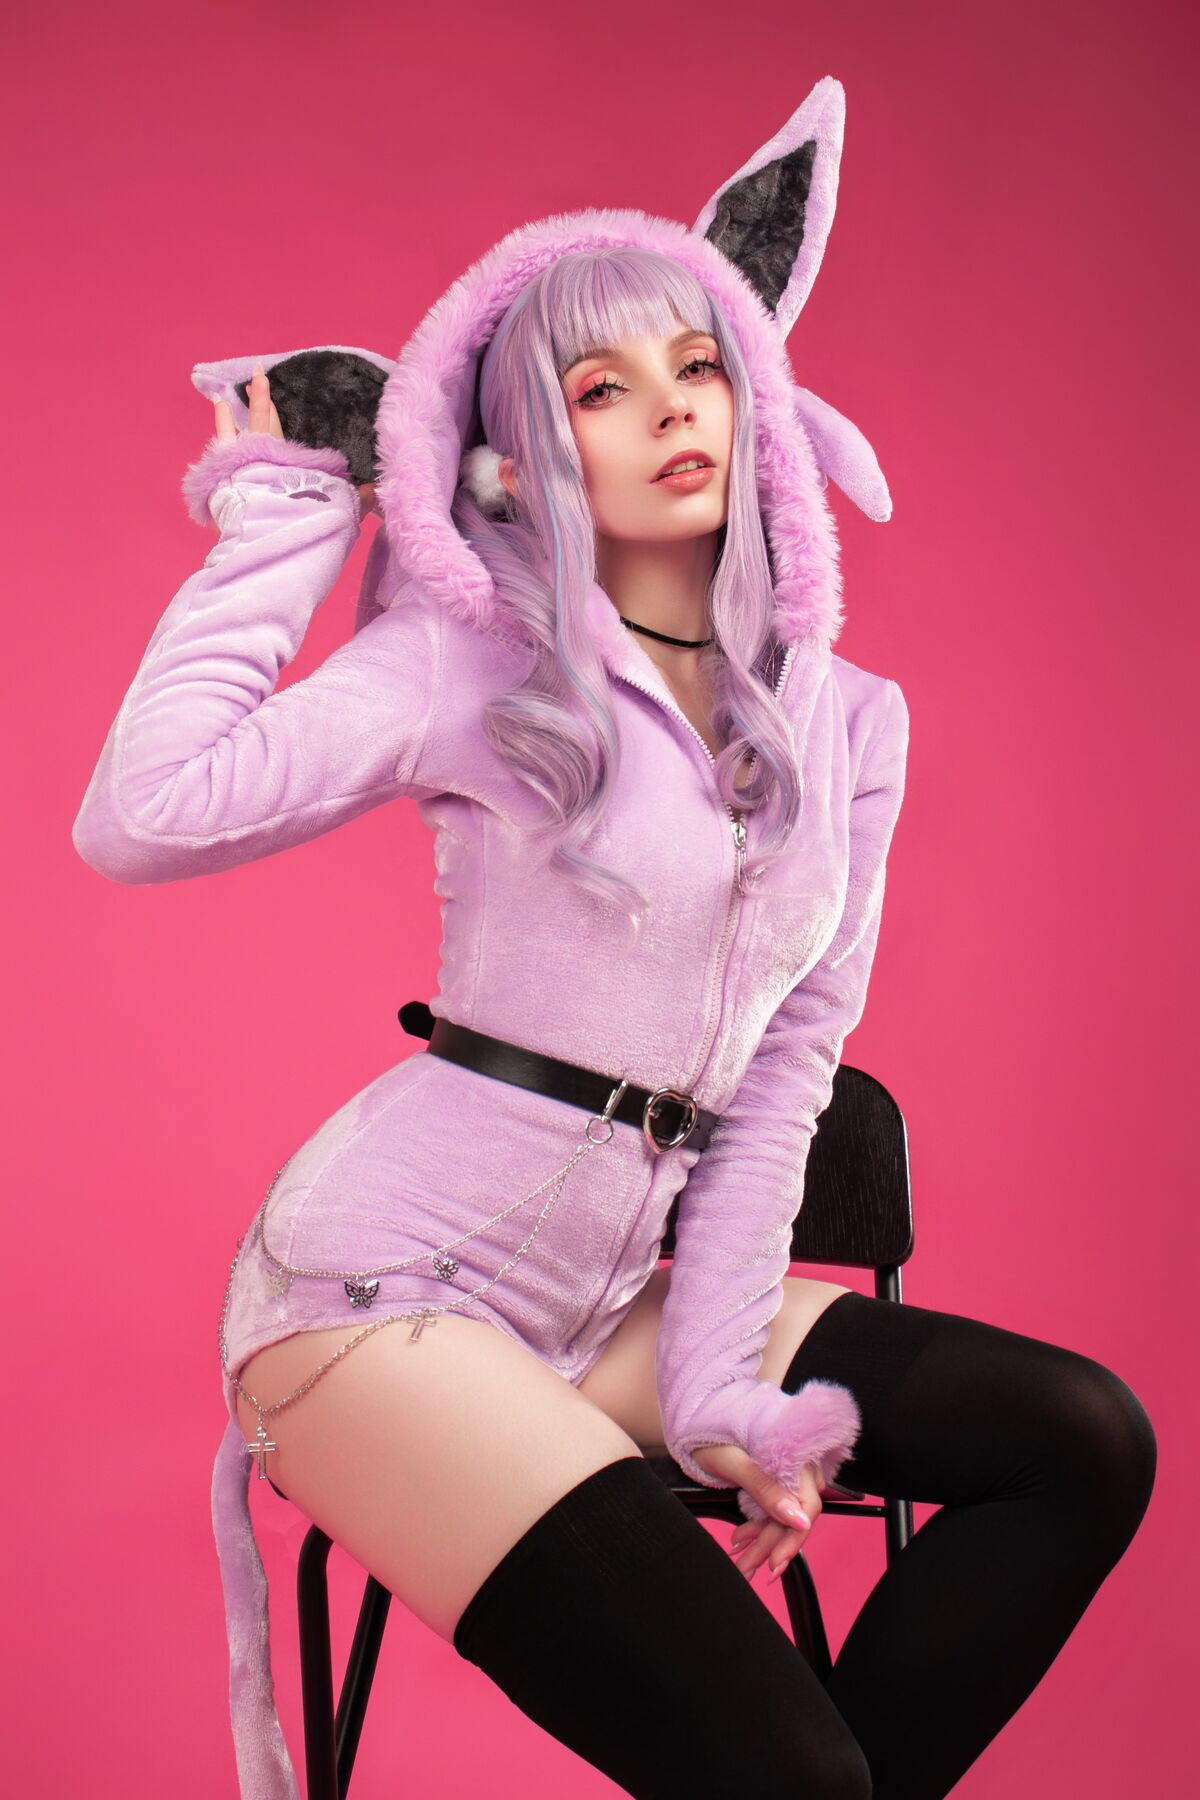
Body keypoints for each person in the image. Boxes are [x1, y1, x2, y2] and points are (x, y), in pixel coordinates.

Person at [72, 75, 1155, 1800]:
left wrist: (719, 1385)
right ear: (516, 453)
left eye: (698, 365)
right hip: (379, 1300)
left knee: (1079, 1440)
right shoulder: (475, 663)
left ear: (753, 392)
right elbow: (141, 816)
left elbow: (785, 1075)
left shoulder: (848, 721)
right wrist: (285, 513)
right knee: (793, 1775)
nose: (670, 411)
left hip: (623, 1303)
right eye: (600, 386)